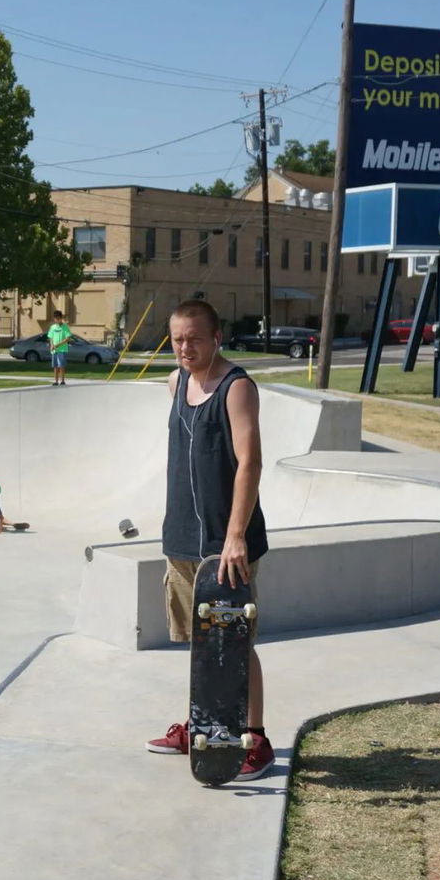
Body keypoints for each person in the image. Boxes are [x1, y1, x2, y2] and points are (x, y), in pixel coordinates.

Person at [146, 299, 273, 781]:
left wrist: (236, 535)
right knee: (199, 644)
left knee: (236, 643)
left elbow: (250, 462)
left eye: (194, 339)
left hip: (227, 542)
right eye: (177, 339)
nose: (185, 348)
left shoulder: (236, 387)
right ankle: (201, 727)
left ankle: (255, 738)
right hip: (182, 538)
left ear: (216, 338)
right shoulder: (176, 382)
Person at [47, 309, 72, 387]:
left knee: (61, 365)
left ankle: (62, 381)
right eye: (56, 318)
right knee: (55, 366)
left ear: (61, 318)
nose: (57, 320)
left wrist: (58, 345)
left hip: (62, 349)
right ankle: (56, 381)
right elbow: (51, 337)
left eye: (58, 318)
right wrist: (51, 345)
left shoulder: (65, 327)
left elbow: (67, 338)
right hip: (54, 350)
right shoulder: (53, 327)